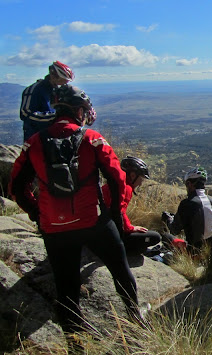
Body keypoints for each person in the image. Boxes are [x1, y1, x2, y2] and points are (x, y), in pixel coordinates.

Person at [9, 84, 143, 341]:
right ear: (78, 111)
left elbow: (15, 186)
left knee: (66, 287)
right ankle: (135, 317)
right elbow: (116, 179)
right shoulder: (92, 139)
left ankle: (75, 341)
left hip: (55, 229)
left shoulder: (34, 142)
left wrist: (38, 214)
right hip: (94, 221)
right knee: (120, 267)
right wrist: (113, 215)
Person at [101, 156, 162, 255]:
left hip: (103, 229)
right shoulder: (127, 188)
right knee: (155, 237)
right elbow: (119, 212)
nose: (141, 183)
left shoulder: (111, 184)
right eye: (141, 179)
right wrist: (131, 228)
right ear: (133, 175)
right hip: (111, 235)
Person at [161, 166, 212, 255]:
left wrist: (168, 219)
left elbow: (174, 230)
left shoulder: (187, 203)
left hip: (193, 251)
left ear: (189, 184)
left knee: (165, 236)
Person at [20, 61, 75, 141]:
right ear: (53, 76)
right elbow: (25, 113)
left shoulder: (57, 91)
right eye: (63, 81)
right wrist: (53, 116)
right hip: (35, 136)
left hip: (53, 136)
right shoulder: (34, 89)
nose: (64, 84)